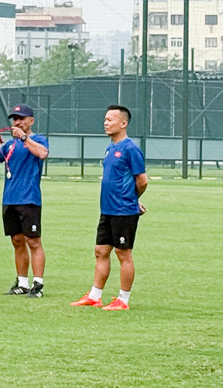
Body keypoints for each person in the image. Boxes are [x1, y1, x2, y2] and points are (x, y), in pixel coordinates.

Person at [72, 105, 147, 311]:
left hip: (123, 211)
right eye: (105, 119)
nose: (106, 123)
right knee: (101, 250)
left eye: (111, 119)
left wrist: (132, 199)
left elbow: (142, 180)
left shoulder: (130, 148)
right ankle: (95, 296)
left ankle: (123, 300)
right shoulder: (110, 147)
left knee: (123, 254)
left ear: (123, 123)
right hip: (107, 210)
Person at [0, 103, 49, 298]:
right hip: (10, 198)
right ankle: (22, 282)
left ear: (31, 120)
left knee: (33, 241)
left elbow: (42, 153)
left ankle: (37, 284)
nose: (17, 122)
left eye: (21, 118)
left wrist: (23, 137)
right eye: (15, 119)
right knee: (17, 240)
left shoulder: (37, 140)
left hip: (28, 198)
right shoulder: (10, 145)